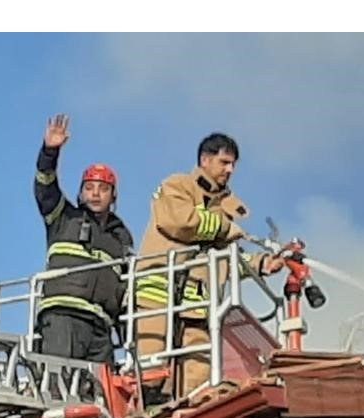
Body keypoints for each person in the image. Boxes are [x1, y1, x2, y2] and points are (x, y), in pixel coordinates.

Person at [133, 132, 283, 403]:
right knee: (152, 372)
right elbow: (180, 221)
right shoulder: (176, 186)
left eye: (233, 165)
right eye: (224, 162)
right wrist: (225, 227)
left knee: (198, 378)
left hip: (197, 306)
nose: (230, 170)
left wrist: (261, 263)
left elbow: (225, 260)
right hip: (157, 296)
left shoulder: (223, 207)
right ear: (204, 159)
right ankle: (147, 415)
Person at [32, 113, 134, 364]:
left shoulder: (120, 238)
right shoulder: (63, 217)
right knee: (61, 388)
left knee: (103, 396)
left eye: (103, 188)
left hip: (100, 327)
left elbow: (125, 290)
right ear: (80, 193)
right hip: (62, 318)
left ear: (114, 196)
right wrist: (49, 151)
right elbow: (45, 186)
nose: (95, 194)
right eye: (89, 187)